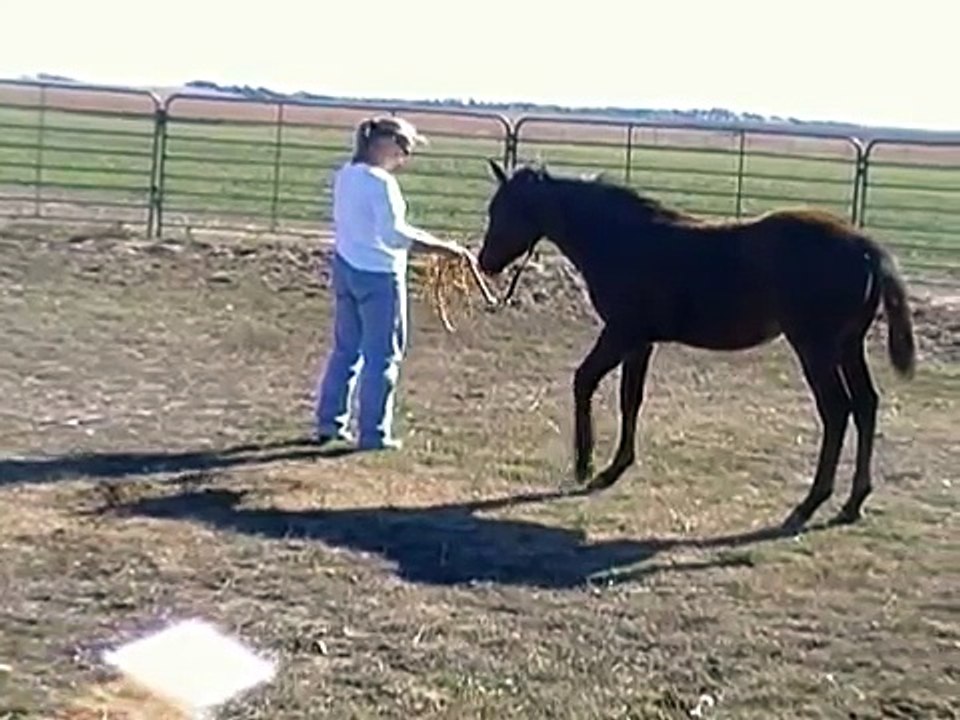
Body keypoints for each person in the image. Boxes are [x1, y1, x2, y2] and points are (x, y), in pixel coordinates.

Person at [313, 115, 476, 451]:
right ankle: (374, 434)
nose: (405, 156)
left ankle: (330, 422)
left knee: (346, 350)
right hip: (379, 275)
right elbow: (393, 235)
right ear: (382, 143)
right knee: (383, 355)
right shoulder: (380, 183)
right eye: (403, 147)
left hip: (346, 267)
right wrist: (443, 248)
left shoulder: (346, 175)